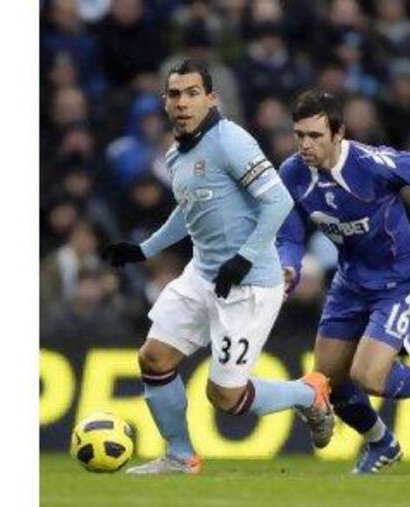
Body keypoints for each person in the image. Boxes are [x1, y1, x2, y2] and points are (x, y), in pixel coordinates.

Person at [101, 59, 334, 475]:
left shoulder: (231, 141)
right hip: (203, 274)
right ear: (165, 102)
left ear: (211, 98)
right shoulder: (176, 154)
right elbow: (189, 210)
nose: (183, 102)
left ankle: (307, 393)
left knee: (226, 398)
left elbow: (278, 201)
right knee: (154, 358)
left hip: (248, 284)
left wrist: (244, 257)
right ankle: (179, 456)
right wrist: (144, 250)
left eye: (193, 93)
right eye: (175, 94)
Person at [277, 90, 410, 473]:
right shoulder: (292, 174)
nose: (305, 145)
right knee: (327, 382)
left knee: (369, 376)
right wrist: (289, 267)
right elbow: (291, 235)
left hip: (401, 279)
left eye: (315, 136)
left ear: (338, 133)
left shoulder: (373, 163)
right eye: (299, 135)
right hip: (351, 283)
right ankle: (383, 443)